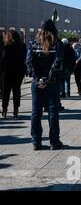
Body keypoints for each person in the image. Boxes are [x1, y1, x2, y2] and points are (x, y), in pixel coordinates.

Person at [26, 19, 64, 151]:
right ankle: (54, 141)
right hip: (52, 82)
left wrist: (38, 80)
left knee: (36, 112)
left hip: (37, 83)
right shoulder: (58, 44)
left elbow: (29, 62)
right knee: (53, 112)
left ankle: (36, 141)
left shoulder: (33, 43)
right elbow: (57, 63)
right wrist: (47, 79)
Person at [1, 30, 27, 118]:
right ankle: (16, 110)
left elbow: (3, 59)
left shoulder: (6, 46)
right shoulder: (22, 46)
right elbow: (25, 58)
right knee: (17, 91)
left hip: (7, 72)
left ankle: (4, 110)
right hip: (19, 72)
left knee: (6, 92)